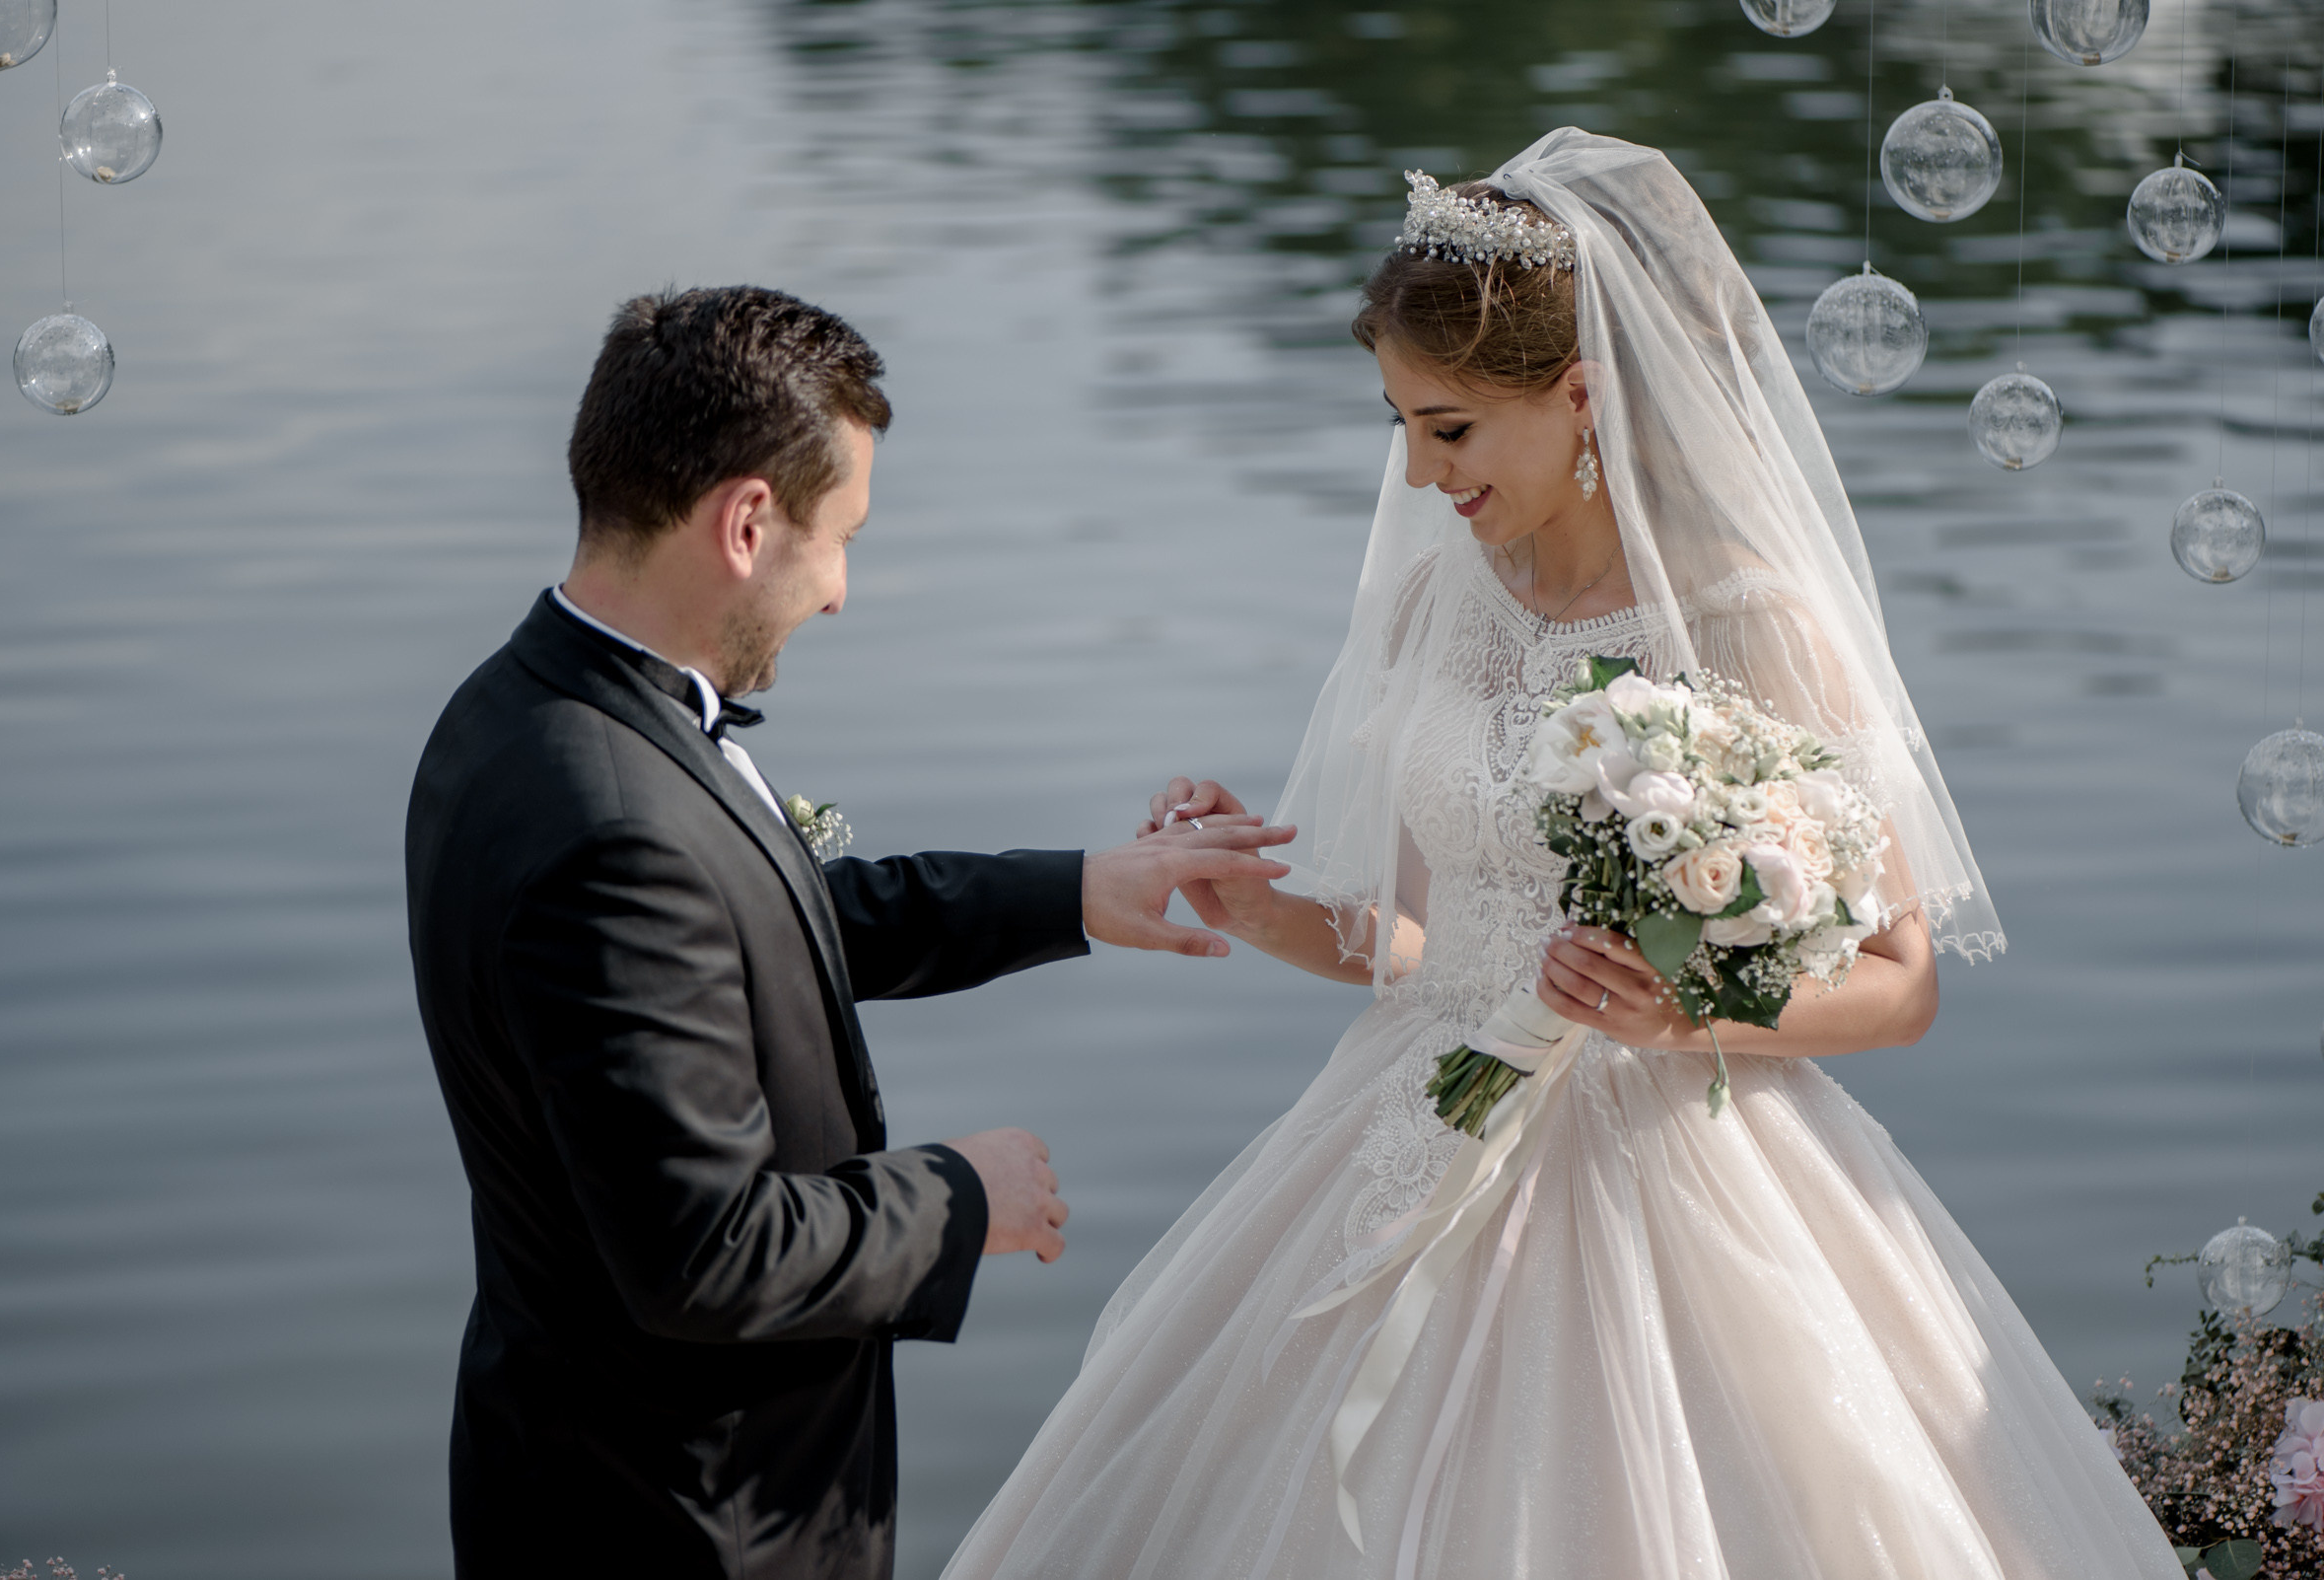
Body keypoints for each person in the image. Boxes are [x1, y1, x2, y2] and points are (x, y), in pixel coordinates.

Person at [941, 132, 2183, 1579]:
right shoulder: (1434, 606)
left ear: (1581, 395)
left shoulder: (1748, 619)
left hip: (1676, 1163)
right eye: (1403, 425)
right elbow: (1419, 939)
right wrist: (1250, 901)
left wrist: (1682, 1011)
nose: (1420, 471)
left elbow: (1902, 984)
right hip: (1414, 1119)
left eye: (1452, 429)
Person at [403, 285, 1293, 1580]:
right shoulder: (614, 823)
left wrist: (1073, 891)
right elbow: (706, 1256)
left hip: (582, 1463)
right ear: (747, 522)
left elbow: (761, 928)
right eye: (841, 540)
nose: (838, 595)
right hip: (678, 1520)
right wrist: (961, 1197)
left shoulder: (521, 709)